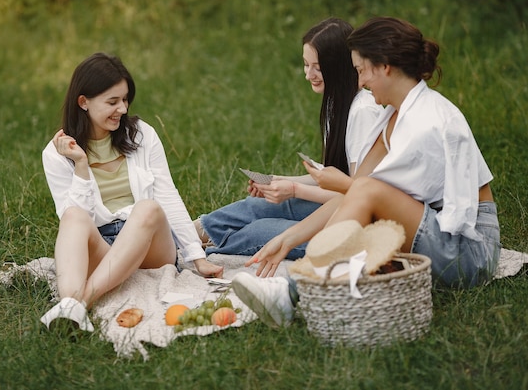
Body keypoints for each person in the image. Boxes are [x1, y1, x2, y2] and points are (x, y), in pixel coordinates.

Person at [232, 16, 501, 327]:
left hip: (469, 254)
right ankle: (296, 283)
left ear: (384, 66)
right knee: (359, 191)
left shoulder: (426, 123)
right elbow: (355, 199)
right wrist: (291, 239)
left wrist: (340, 184)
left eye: (360, 71)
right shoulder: (392, 115)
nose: (358, 82)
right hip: (440, 234)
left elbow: (366, 194)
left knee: (364, 189)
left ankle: (291, 291)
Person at [39, 53, 223, 333]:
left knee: (147, 207)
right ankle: (71, 305)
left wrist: (196, 256)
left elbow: (167, 195)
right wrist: (80, 164)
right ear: (83, 102)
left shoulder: (141, 135)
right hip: (104, 247)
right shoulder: (57, 154)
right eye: (112, 102)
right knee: (73, 215)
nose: (122, 109)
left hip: (151, 246)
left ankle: (77, 305)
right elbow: (75, 219)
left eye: (125, 100)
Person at [194, 17, 381, 260]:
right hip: (336, 208)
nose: (309, 74)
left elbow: (355, 194)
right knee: (258, 206)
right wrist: (277, 181)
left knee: (257, 233)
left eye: (317, 66)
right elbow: (334, 175)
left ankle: (202, 250)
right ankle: (187, 233)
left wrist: (294, 190)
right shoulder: (336, 105)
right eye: (306, 65)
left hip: (357, 226)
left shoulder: (363, 112)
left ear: (339, 66)